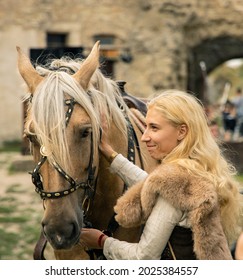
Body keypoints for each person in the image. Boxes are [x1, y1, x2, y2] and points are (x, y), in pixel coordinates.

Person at [80, 90, 242, 260]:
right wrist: (110, 154)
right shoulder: (195, 170)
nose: (144, 137)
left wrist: (102, 241)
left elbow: (145, 256)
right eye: (146, 126)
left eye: (154, 128)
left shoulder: (175, 188)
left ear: (182, 131)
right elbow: (152, 183)